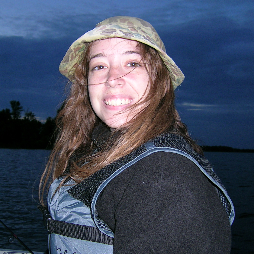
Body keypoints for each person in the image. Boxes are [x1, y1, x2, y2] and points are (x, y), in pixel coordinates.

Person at [39, 16, 235, 253]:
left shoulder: (164, 174)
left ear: (158, 80)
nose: (112, 79)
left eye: (132, 63)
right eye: (99, 66)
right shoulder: (99, 150)